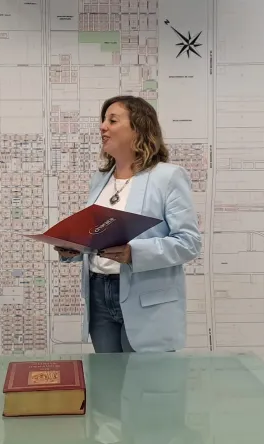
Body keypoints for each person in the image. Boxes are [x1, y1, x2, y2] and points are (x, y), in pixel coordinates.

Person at [56, 95, 201, 353]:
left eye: (112, 121)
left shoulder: (168, 177)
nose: (102, 127)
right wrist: (74, 248)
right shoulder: (100, 179)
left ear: (138, 128)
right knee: (109, 376)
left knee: (147, 378)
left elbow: (188, 243)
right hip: (99, 294)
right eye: (103, 120)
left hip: (147, 300)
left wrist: (134, 253)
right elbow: (98, 236)